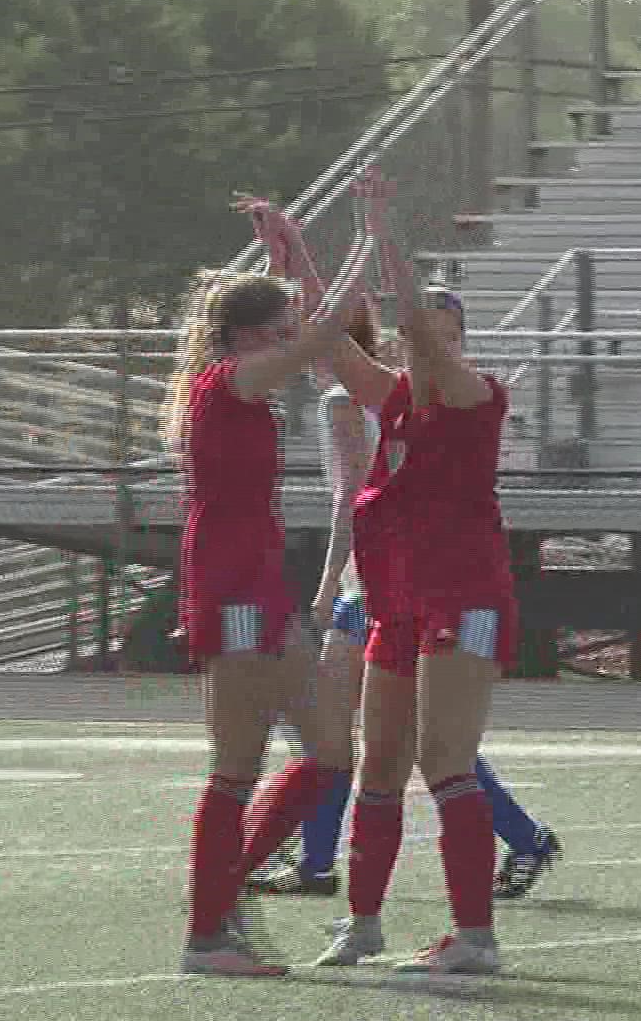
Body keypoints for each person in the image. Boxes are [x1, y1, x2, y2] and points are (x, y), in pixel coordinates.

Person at [165, 203, 362, 978]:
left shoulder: (238, 372)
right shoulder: (231, 380)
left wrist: (293, 255)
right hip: (235, 592)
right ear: (249, 338)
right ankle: (208, 934)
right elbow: (322, 330)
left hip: (259, 589)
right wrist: (370, 238)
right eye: (275, 330)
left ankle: (220, 896)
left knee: (328, 750)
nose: (288, 339)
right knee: (237, 766)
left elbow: (306, 327)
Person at [312, 279, 518, 975]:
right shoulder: (397, 397)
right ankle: (363, 922)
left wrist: (386, 239)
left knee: (445, 760)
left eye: (445, 333)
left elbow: (417, 341)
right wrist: (299, 260)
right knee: (380, 764)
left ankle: (475, 937)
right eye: (424, 332)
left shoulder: (478, 395)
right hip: (398, 604)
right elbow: (334, 340)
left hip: (466, 603)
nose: (431, 344)